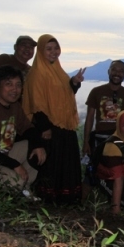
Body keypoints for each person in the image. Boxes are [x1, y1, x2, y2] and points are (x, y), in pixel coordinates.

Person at [22, 34, 86, 204]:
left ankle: (67, 201)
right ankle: (49, 201)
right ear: (41, 51)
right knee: (52, 165)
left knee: (66, 165)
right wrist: (45, 129)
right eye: (48, 49)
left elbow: (64, 93)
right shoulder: (37, 73)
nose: (54, 52)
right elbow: (37, 104)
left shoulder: (57, 70)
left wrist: (74, 82)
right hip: (50, 127)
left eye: (56, 48)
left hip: (64, 125)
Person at [82, 60, 124, 156]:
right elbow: (89, 118)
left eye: (121, 71)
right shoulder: (96, 92)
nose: (117, 73)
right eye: (114, 70)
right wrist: (86, 141)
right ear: (108, 71)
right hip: (100, 138)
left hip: (122, 139)